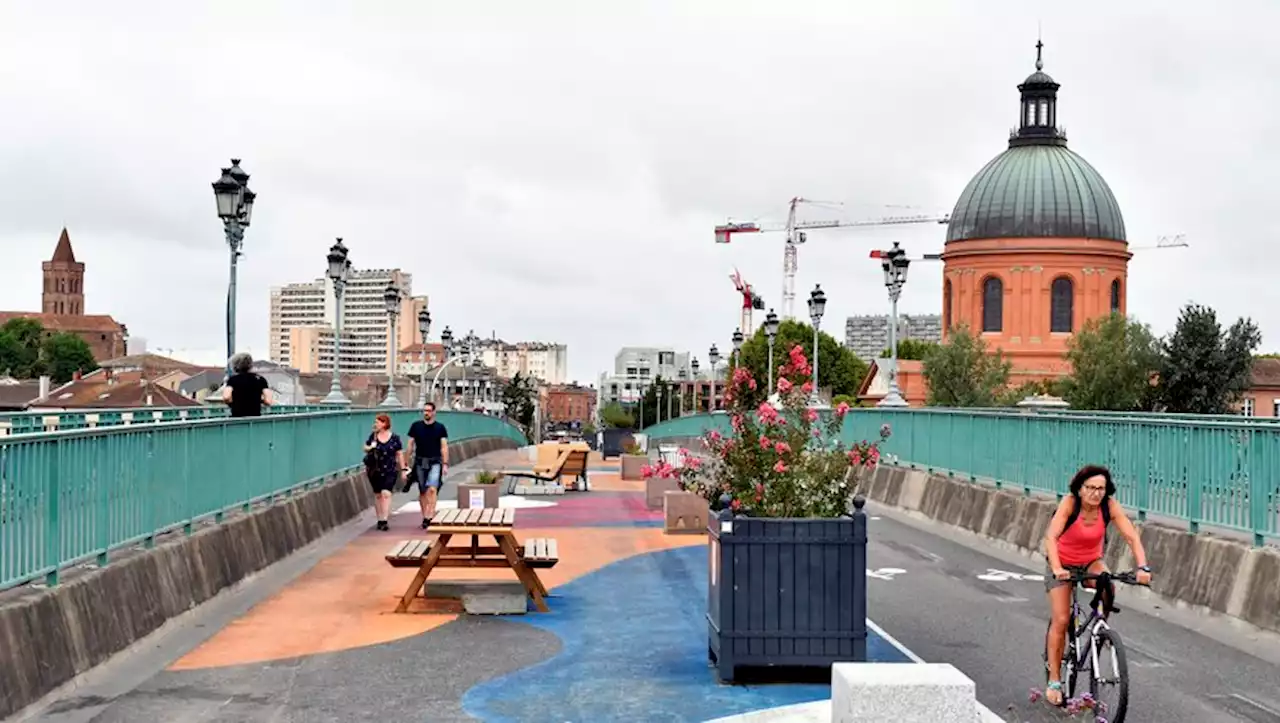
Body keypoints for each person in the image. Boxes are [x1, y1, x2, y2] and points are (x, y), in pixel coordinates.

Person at [1042, 464, 1152, 706]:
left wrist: (1143, 567)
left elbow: (1131, 537)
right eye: (1090, 488)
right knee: (1061, 619)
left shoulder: (1109, 507)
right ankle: (1054, 680)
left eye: (1101, 488)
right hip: (1062, 564)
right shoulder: (1070, 504)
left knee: (1107, 584)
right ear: (1080, 489)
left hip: (1091, 561)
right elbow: (1051, 537)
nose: (1096, 493)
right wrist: (1058, 568)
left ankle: (1100, 631)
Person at [405, 402, 449, 529]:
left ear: (434, 412)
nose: (426, 413)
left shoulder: (440, 428)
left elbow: (444, 446)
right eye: (424, 411)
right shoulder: (416, 426)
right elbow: (410, 445)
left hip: (435, 461)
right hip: (420, 461)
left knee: (432, 489)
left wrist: (445, 463)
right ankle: (425, 516)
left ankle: (430, 515)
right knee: (423, 491)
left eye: (429, 411)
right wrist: (406, 463)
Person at [363, 414, 404, 531]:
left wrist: (403, 469)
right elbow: (365, 447)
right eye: (375, 422)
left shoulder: (395, 438)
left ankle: (384, 520)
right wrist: (370, 447)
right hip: (375, 469)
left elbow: (399, 453)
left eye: (378, 422)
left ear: (384, 423)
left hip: (390, 469)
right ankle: (379, 518)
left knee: (386, 493)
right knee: (378, 494)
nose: (375, 424)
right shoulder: (373, 436)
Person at [221, 353, 273, 417]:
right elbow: (268, 401)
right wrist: (256, 399)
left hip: (237, 418)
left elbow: (226, 397)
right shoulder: (261, 379)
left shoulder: (233, 380)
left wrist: (235, 401)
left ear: (235, 365)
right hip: (255, 418)